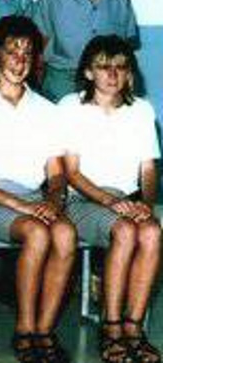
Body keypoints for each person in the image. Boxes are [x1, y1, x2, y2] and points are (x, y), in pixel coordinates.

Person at [0, 17, 75, 362]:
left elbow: (56, 173)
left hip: (33, 198)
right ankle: (24, 327)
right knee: (37, 234)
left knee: (65, 234)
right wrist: (22, 207)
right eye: (12, 51)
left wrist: (54, 200)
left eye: (28, 52)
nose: (20, 60)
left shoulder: (46, 110)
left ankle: (45, 329)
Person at [60, 36, 161, 362]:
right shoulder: (71, 107)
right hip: (82, 201)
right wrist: (109, 201)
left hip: (126, 201)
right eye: (104, 67)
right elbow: (72, 173)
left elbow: (148, 168)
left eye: (120, 67)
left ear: (130, 73)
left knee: (151, 231)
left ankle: (134, 327)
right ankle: (112, 326)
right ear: (89, 72)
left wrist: (146, 205)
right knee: (126, 230)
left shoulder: (141, 110)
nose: (113, 74)